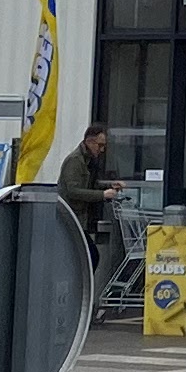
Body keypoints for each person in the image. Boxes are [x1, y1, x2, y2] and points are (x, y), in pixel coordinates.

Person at [56, 121, 127, 283]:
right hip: (70, 218)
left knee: (86, 256)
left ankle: (80, 286)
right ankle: (79, 287)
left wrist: (110, 186)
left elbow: (90, 185)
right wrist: (103, 194)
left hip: (79, 219)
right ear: (89, 142)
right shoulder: (75, 161)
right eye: (100, 145)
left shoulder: (88, 161)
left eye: (104, 146)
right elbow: (73, 191)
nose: (102, 150)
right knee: (90, 255)